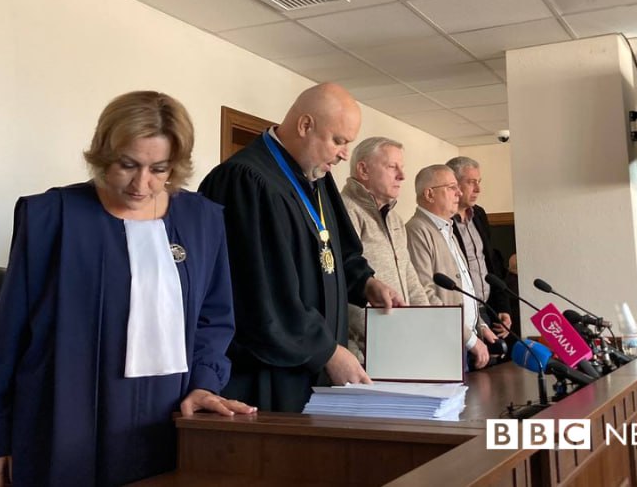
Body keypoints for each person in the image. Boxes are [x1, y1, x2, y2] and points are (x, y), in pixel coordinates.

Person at [0, 91, 255, 487]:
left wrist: (205, 383)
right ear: (105, 153)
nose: (142, 183)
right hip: (65, 421)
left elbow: (214, 318)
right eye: (128, 165)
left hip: (168, 418)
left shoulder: (203, 220)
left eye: (159, 169)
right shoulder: (51, 217)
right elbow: (8, 335)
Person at [198, 83, 402, 412]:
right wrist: (327, 351)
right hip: (267, 378)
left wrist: (365, 283)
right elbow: (259, 294)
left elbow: (338, 252)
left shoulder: (318, 178)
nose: (345, 154)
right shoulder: (245, 180)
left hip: (314, 369)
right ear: (306, 125)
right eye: (339, 140)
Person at [406, 164, 503, 370]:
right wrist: (470, 339)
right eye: (451, 187)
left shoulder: (447, 228)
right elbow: (425, 293)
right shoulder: (417, 230)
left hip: (465, 336)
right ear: (429, 194)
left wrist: (480, 325)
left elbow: (465, 288)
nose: (458, 193)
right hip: (446, 342)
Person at [341, 136, 429, 363]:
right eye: (392, 167)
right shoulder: (344, 212)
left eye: (402, 167)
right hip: (365, 353)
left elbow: (410, 278)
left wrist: (427, 327)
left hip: (401, 344)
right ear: (363, 170)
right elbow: (346, 282)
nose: (402, 176)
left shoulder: (395, 219)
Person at [445, 156, 513, 337]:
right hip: (462, 314)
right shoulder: (443, 221)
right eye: (471, 182)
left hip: (488, 309)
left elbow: (491, 262)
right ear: (454, 184)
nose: (478, 189)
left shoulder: (479, 214)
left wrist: (503, 306)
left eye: (479, 182)